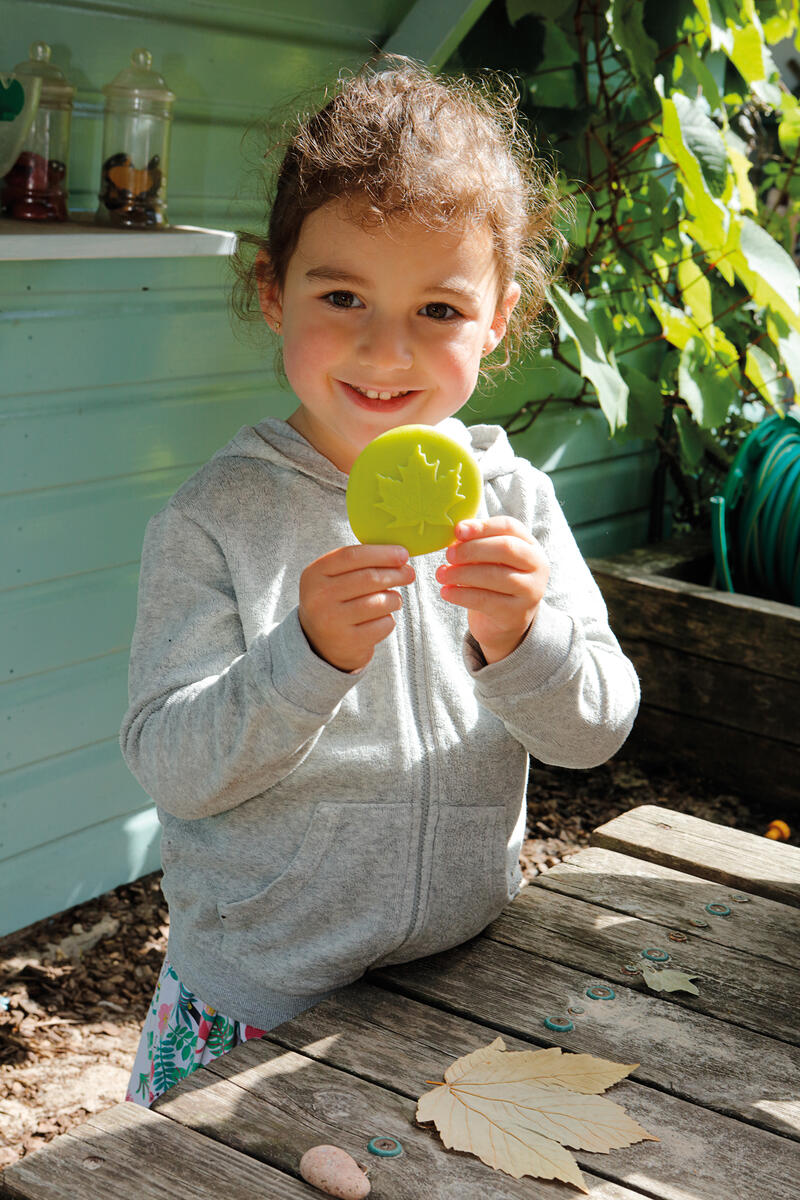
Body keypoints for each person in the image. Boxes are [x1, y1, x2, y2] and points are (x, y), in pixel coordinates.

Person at [120, 56, 640, 1107]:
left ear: (499, 318)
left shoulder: (514, 503)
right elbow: (170, 765)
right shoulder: (216, 519)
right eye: (343, 294)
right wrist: (303, 660)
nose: (384, 348)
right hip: (258, 999)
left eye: (438, 309)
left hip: (462, 982)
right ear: (274, 291)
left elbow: (594, 732)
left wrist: (523, 639)